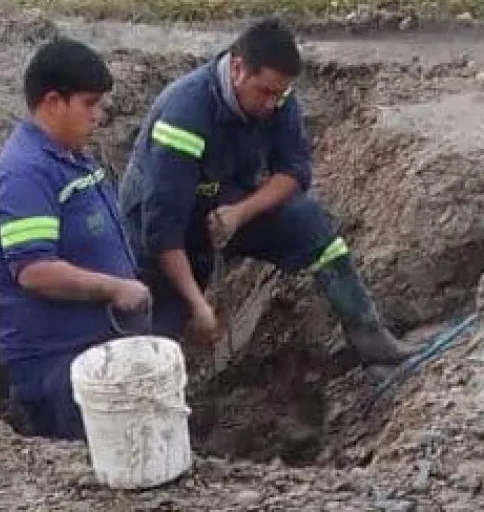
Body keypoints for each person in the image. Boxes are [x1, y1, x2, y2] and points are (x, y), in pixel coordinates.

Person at [118, 18, 422, 366]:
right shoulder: (185, 116)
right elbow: (162, 230)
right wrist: (198, 305)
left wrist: (240, 213)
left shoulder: (277, 97)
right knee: (155, 347)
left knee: (308, 221)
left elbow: (294, 170)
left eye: (279, 95)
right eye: (264, 92)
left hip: (225, 206)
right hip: (159, 232)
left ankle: (371, 339)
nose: (271, 104)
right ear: (237, 69)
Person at [0, 36, 151, 441]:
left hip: (93, 352)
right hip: (57, 365)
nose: (98, 116)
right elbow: (35, 270)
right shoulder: (25, 174)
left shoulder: (69, 157)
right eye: (89, 104)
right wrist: (115, 288)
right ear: (53, 102)